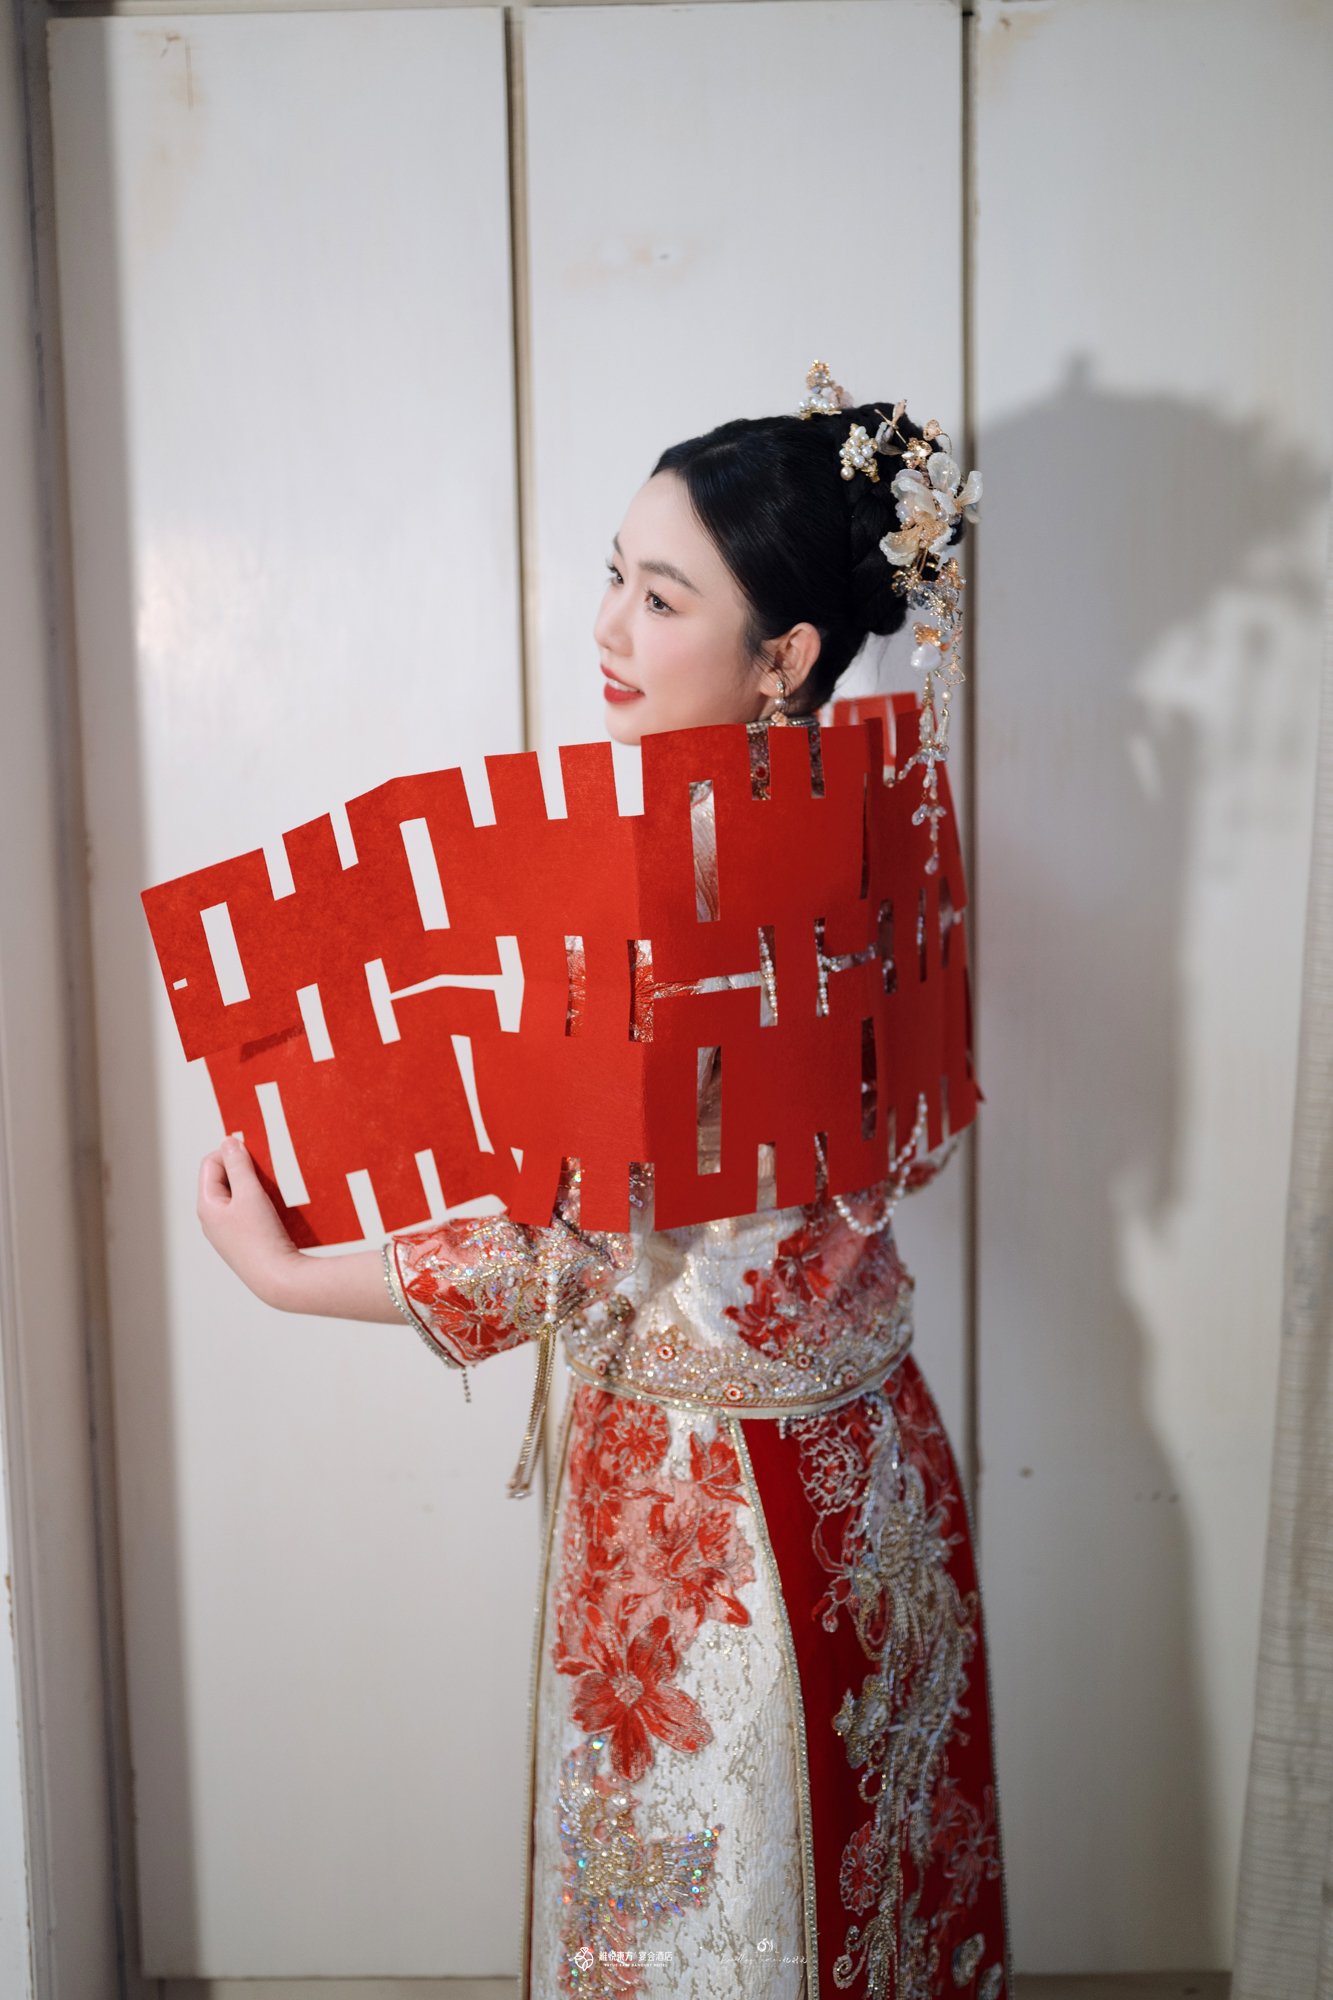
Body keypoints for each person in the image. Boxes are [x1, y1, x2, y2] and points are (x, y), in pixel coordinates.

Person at [196, 370, 1007, 2000]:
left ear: (782, 657)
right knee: (874, 1907)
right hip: (878, 1464)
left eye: (661, 597)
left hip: (715, 1513)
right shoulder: (884, 816)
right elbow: (902, 1139)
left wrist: (285, 1274)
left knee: (706, 1922)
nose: (608, 629)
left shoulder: (677, 904)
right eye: (613, 577)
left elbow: (564, 1252)